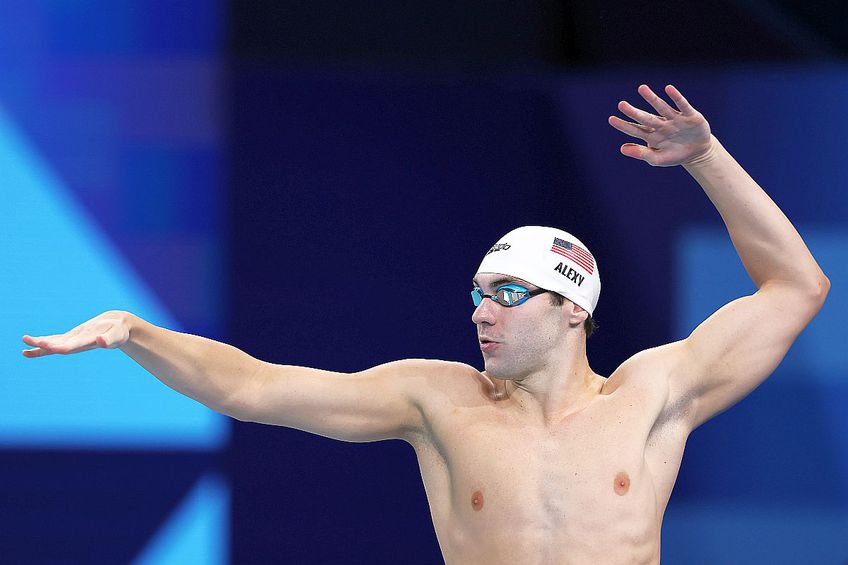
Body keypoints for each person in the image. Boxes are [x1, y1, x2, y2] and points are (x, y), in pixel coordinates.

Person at [21, 85, 829, 564]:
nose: (481, 310)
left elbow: (797, 285)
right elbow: (254, 386)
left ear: (572, 306)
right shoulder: (437, 402)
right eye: (478, 291)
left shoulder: (654, 392)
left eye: (509, 293)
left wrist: (704, 158)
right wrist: (133, 329)